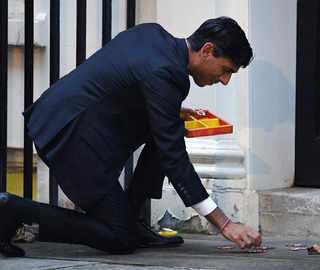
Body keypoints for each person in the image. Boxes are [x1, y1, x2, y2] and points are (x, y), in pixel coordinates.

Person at [0, 16, 261, 257]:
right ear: (206, 51)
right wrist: (224, 223)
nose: (225, 80)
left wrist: (166, 108)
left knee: (169, 128)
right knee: (119, 238)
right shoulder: (166, 74)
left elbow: (121, 78)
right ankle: (12, 210)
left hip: (58, 116)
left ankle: (132, 220)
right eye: (226, 69)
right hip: (70, 138)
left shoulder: (151, 34)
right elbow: (174, 158)